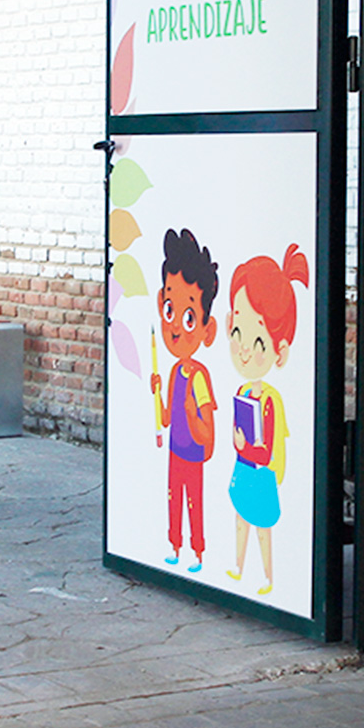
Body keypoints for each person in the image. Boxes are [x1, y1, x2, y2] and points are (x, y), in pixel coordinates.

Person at [223, 245, 309, 596]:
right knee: (241, 519)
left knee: (262, 526)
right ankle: (238, 567)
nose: (244, 349)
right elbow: (238, 435)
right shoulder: (243, 390)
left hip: (261, 472)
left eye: (258, 340)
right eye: (238, 334)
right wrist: (236, 442)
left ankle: (271, 577)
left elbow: (269, 447)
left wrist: (247, 448)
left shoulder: (271, 401)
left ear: (280, 351)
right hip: (243, 467)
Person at [151, 228, 219, 573]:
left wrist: (192, 415)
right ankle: (174, 545)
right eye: (169, 308)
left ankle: (198, 551)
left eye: (189, 316)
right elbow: (165, 418)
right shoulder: (176, 372)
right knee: (173, 498)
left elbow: (209, 430)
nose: (176, 326)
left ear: (207, 329)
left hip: (192, 453)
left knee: (195, 501)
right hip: (175, 451)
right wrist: (159, 392)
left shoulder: (199, 377)